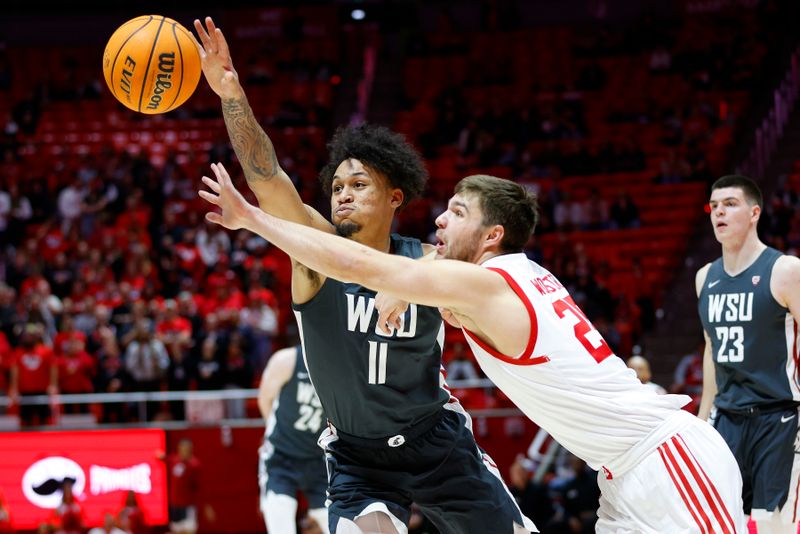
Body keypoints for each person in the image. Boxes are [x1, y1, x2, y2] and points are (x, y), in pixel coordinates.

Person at [199, 166, 747, 533]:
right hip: (621, 472)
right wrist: (423, 270)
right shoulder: (508, 274)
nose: (439, 218)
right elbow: (430, 265)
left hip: (664, 456)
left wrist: (253, 220)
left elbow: (355, 264)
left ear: (492, 236)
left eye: (458, 213)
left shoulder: (489, 286)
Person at [193, 17, 535, 534]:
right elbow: (266, 177)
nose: (343, 193)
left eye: (359, 183)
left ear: (395, 197)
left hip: (436, 443)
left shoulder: (427, 258)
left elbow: (478, 269)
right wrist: (231, 92)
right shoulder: (316, 253)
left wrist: (414, 275)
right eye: (336, 186)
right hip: (358, 458)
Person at [696, 174, 800, 534]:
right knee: (725, 523)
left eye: (730, 204)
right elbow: (712, 348)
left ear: (754, 212)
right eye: (714, 206)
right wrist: (702, 416)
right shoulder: (704, 277)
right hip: (727, 419)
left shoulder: (785, 270)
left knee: (774, 525)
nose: (718, 212)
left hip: (779, 417)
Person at [257, 346, 329, 534]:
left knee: (339, 526)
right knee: (280, 527)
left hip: (319, 459)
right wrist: (274, 435)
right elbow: (265, 399)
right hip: (281, 456)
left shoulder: (343, 366)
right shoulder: (286, 360)